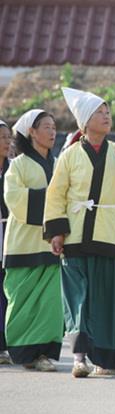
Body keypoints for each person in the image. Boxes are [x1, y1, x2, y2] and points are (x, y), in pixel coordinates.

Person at [44, 87, 115, 377]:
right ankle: (79, 357)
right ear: (84, 121)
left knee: (106, 298)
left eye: (108, 112)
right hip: (75, 235)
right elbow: (56, 195)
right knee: (77, 297)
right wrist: (56, 232)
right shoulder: (68, 156)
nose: (106, 117)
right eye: (99, 113)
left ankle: (106, 358)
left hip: (108, 234)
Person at [2, 110, 64, 371]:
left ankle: (44, 353)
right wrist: (52, 199)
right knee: (22, 300)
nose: (52, 132)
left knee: (50, 302)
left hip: (52, 243)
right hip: (23, 242)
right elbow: (14, 198)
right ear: (31, 132)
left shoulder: (59, 162)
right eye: (46, 127)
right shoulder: (17, 165)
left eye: (54, 127)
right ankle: (24, 352)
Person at [0, 120, 12, 365]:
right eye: (2, 137)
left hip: (10, 232)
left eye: (9, 137)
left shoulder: (13, 169)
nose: (7, 142)